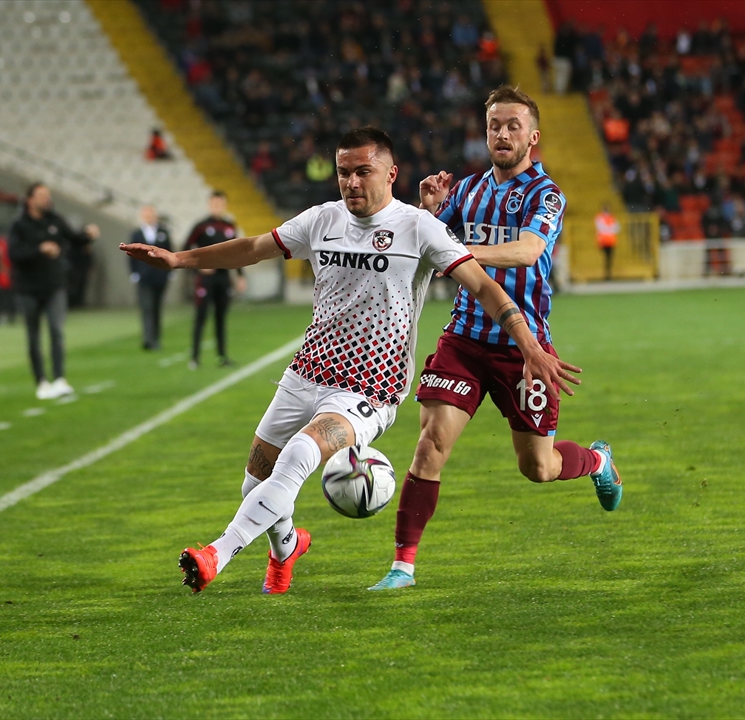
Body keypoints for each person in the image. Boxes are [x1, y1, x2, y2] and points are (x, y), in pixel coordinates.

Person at [121, 127, 578, 595]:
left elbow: (484, 286)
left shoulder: (419, 227)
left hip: (370, 386)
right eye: (344, 172)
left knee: (299, 455)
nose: (352, 182)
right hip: (306, 372)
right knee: (254, 483)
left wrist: (529, 345)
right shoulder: (322, 219)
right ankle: (286, 548)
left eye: (364, 171)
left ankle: (217, 553)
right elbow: (255, 248)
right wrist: (178, 260)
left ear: (391, 173)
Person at [369, 86, 621, 592]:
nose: (502, 134)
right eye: (493, 126)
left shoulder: (546, 195)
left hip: (523, 348)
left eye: (512, 126)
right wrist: (427, 212)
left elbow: (527, 251)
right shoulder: (466, 190)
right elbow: (420, 248)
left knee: (538, 467)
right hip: (464, 339)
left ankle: (597, 460)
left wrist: (458, 250)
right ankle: (402, 567)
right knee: (430, 445)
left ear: (532, 136)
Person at [7, 183, 96, 400]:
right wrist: (39, 249)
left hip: (54, 285)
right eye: (41, 195)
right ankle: (41, 381)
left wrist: (88, 235)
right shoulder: (19, 225)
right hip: (28, 288)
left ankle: (59, 378)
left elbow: (74, 238)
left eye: (48, 195)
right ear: (30, 200)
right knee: (34, 335)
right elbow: (14, 253)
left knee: (57, 331)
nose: (47, 199)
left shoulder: (55, 220)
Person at [184, 191, 246, 369]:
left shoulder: (229, 226)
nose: (217, 207)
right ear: (209, 205)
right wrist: (199, 266)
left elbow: (236, 251)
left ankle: (222, 356)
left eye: (220, 204)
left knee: (221, 317)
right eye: (214, 203)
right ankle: (195, 357)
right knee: (201, 316)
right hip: (205, 279)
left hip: (223, 277)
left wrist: (240, 275)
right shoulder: (201, 226)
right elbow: (186, 247)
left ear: (225, 205)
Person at [129, 205, 173, 350]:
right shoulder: (136, 233)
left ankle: (156, 338)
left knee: (157, 308)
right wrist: (134, 272)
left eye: (150, 214)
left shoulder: (163, 232)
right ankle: (148, 339)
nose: (148, 217)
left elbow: (169, 251)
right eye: (146, 215)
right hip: (144, 276)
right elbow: (130, 255)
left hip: (160, 275)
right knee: (146, 307)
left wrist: (170, 271)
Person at [594, 203, 620, 280]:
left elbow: (617, 228)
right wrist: (609, 229)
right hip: (603, 240)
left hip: (611, 241)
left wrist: (608, 229)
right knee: (603, 258)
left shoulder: (612, 217)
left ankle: (609, 274)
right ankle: (604, 274)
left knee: (609, 258)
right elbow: (601, 227)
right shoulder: (600, 217)